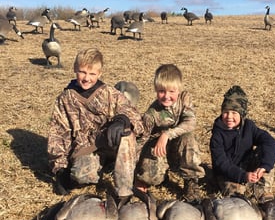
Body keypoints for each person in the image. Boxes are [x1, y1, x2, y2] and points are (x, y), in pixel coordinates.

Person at [47, 48, 144, 200]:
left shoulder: (109, 93)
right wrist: (60, 169)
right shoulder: (65, 98)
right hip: (87, 148)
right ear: (74, 69)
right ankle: (104, 165)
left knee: (126, 133)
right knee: (82, 176)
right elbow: (58, 134)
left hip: (111, 142)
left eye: (92, 74)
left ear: (99, 74)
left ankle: (124, 193)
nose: (87, 78)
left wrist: (121, 120)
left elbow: (134, 115)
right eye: (82, 72)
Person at [134, 63, 205, 201]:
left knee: (188, 137)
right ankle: (162, 175)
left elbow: (191, 123)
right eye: (161, 91)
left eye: (172, 91)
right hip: (160, 151)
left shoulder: (184, 98)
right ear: (155, 90)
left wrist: (166, 134)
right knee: (151, 178)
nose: (167, 96)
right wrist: (137, 174)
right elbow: (141, 142)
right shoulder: (151, 114)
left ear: (179, 90)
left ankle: (191, 181)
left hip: (179, 146)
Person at [210, 85, 275, 202]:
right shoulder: (217, 135)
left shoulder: (249, 127)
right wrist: (243, 175)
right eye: (225, 112)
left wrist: (263, 167)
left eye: (234, 112)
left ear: (242, 115)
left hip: (248, 166)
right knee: (236, 198)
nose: (229, 117)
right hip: (228, 173)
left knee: (265, 152)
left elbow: (271, 143)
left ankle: (262, 191)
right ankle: (239, 192)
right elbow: (221, 163)